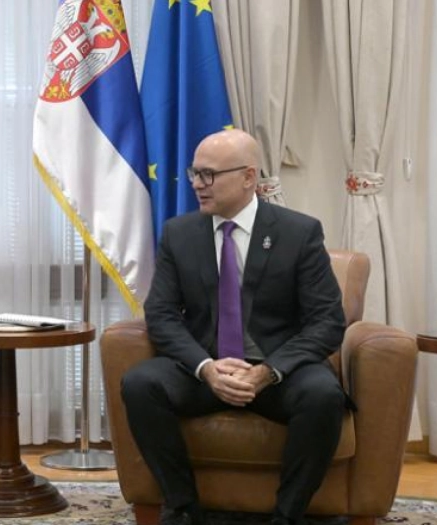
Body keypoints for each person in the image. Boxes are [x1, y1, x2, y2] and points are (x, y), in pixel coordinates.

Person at [121, 129, 348, 525]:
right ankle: (184, 509)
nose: (197, 184)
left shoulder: (298, 233)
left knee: (323, 395)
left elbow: (328, 321)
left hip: (276, 371)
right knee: (140, 383)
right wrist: (205, 368)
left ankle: (287, 515)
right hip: (205, 368)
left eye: (208, 174)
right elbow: (161, 313)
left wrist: (267, 372)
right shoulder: (179, 233)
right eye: (195, 173)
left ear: (248, 177)